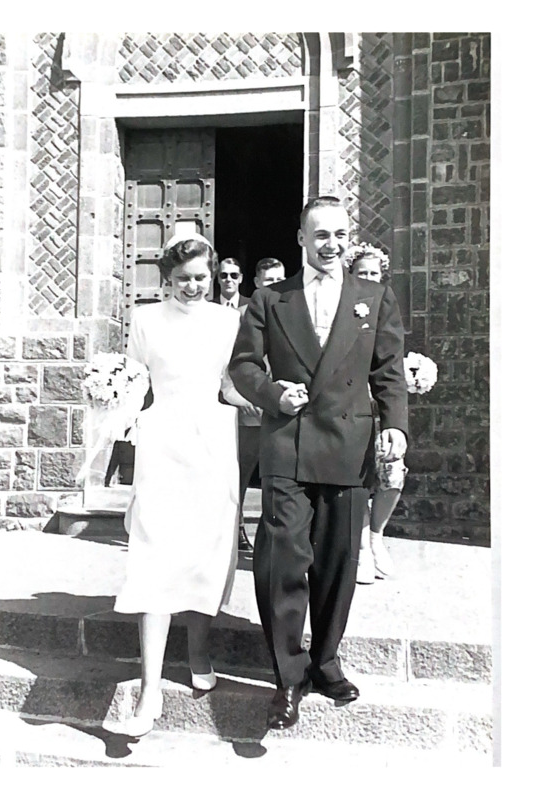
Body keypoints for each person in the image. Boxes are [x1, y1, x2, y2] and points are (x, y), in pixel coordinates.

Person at [229, 196, 408, 731]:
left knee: (335, 564)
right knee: (281, 563)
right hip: (288, 443)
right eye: (320, 235)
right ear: (301, 240)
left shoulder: (374, 298)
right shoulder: (269, 299)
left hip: (347, 448)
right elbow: (241, 365)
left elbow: (389, 371)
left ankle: (325, 662)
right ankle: (288, 676)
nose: (332, 245)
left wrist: (395, 425)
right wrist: (271, 393)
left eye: (339, 235)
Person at [106, 234, 249, 738]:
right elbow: (137, 381)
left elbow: (230, 382)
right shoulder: (145, 320)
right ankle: (149, 691)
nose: (192, 286)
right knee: (154, 554)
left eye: (200, 277)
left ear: (212, 276)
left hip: (212, 442)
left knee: (205, 554)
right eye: (182, 278)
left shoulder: (229, 320)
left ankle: (198, 652)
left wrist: (257, 401)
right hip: (162, 442)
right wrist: (113, 401)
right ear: (166, 278)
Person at [343, 243, 408, 585]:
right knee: (359, 476)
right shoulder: (342, 306)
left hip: (380, 405)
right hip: (352, 403)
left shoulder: (386, 304)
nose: (368, 279)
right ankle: (361, 547)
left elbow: (390, 357)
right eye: (361, 273)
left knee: (392, 473)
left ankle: (376, 535)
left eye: (374, 273)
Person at [234, 258, 287, 553]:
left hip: (281, 410)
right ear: (256, 283)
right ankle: (236, 529)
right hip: (249, 411)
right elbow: (228, 363)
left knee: (278, 477)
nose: (274, 286)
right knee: (240, 474)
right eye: (269, 281)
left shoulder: (292, 311)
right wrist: (242, 398)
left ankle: (275, 540)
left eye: (279, 279)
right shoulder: (240, 316)